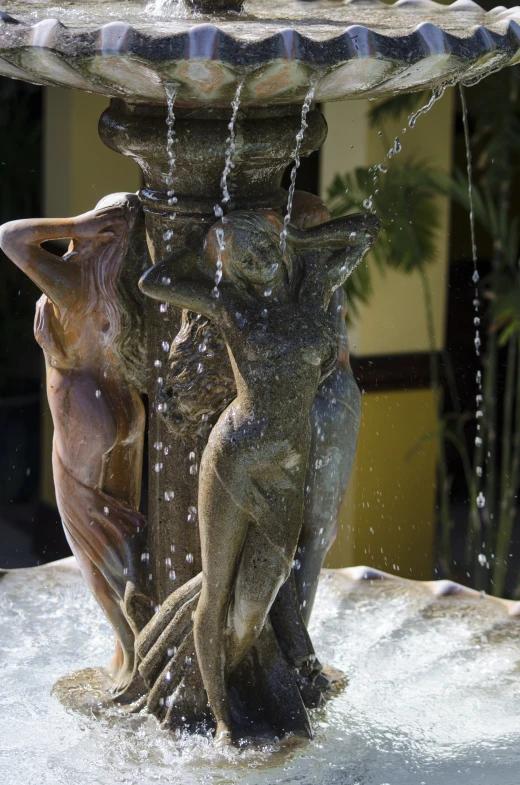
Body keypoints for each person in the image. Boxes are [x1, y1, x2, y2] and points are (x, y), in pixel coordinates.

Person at [139, 208, 380, 743]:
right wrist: (210, 249)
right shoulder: (232, 305)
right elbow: (154, 281)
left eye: (264, 244)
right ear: (236, 266)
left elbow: (367, 230)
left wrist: (292, 235)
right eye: (246, 252)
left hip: (288, 470)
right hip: (234, 458)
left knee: (255, 602)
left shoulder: (312, 290)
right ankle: (223, 717)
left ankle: (235, 672)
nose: (261, 256)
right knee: (218, 592)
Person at [0, 193, 148, 690]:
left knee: (90, 537)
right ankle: (142, 646)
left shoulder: (75, 282)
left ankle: (129, 661)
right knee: (128, 529)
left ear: (101, 231)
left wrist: (79, 225)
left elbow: (10, 238)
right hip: (127, 410)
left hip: (83, 410)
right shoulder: (127, 286)